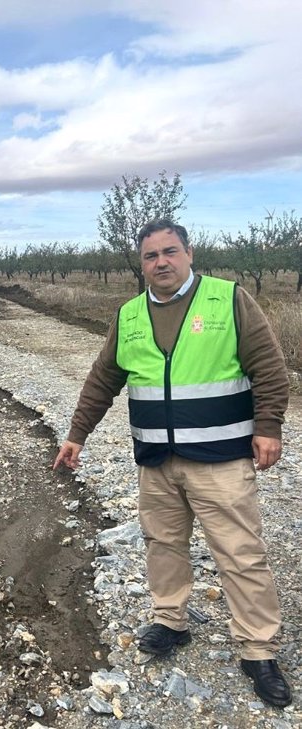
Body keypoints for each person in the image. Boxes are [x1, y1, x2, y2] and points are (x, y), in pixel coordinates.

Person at [53, 219, 292, 708]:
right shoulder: (131, 314)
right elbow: (103, 380)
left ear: (188, 254)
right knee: (162, 544)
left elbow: (268, 366)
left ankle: (258, 649)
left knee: (240, 553)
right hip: (157, 460)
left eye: (169, 251)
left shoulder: (228, 299)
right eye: (150, 256)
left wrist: (268, 426)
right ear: (140, 264)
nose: (160, 262)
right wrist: (77, 435)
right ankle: (170, 620)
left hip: (221, 457)